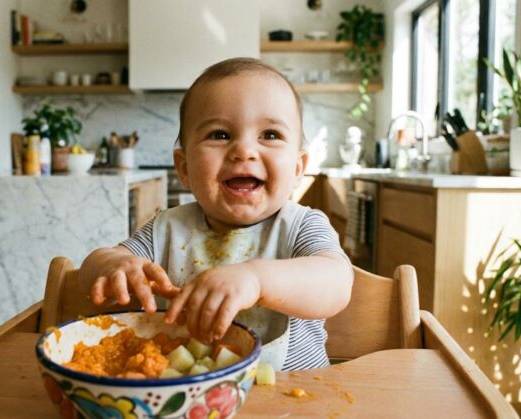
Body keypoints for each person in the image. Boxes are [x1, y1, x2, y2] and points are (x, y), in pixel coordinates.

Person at [78, 57, 353, 370]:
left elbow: (337, 283)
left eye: (270, 135)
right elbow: (91, 271)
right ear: (184, 168)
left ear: (298, 168)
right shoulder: (166, 229)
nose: (244, 150)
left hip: (296, 397)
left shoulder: (302, 226)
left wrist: (257, 280)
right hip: (189, 397)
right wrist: (115, 266)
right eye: (220, 134)